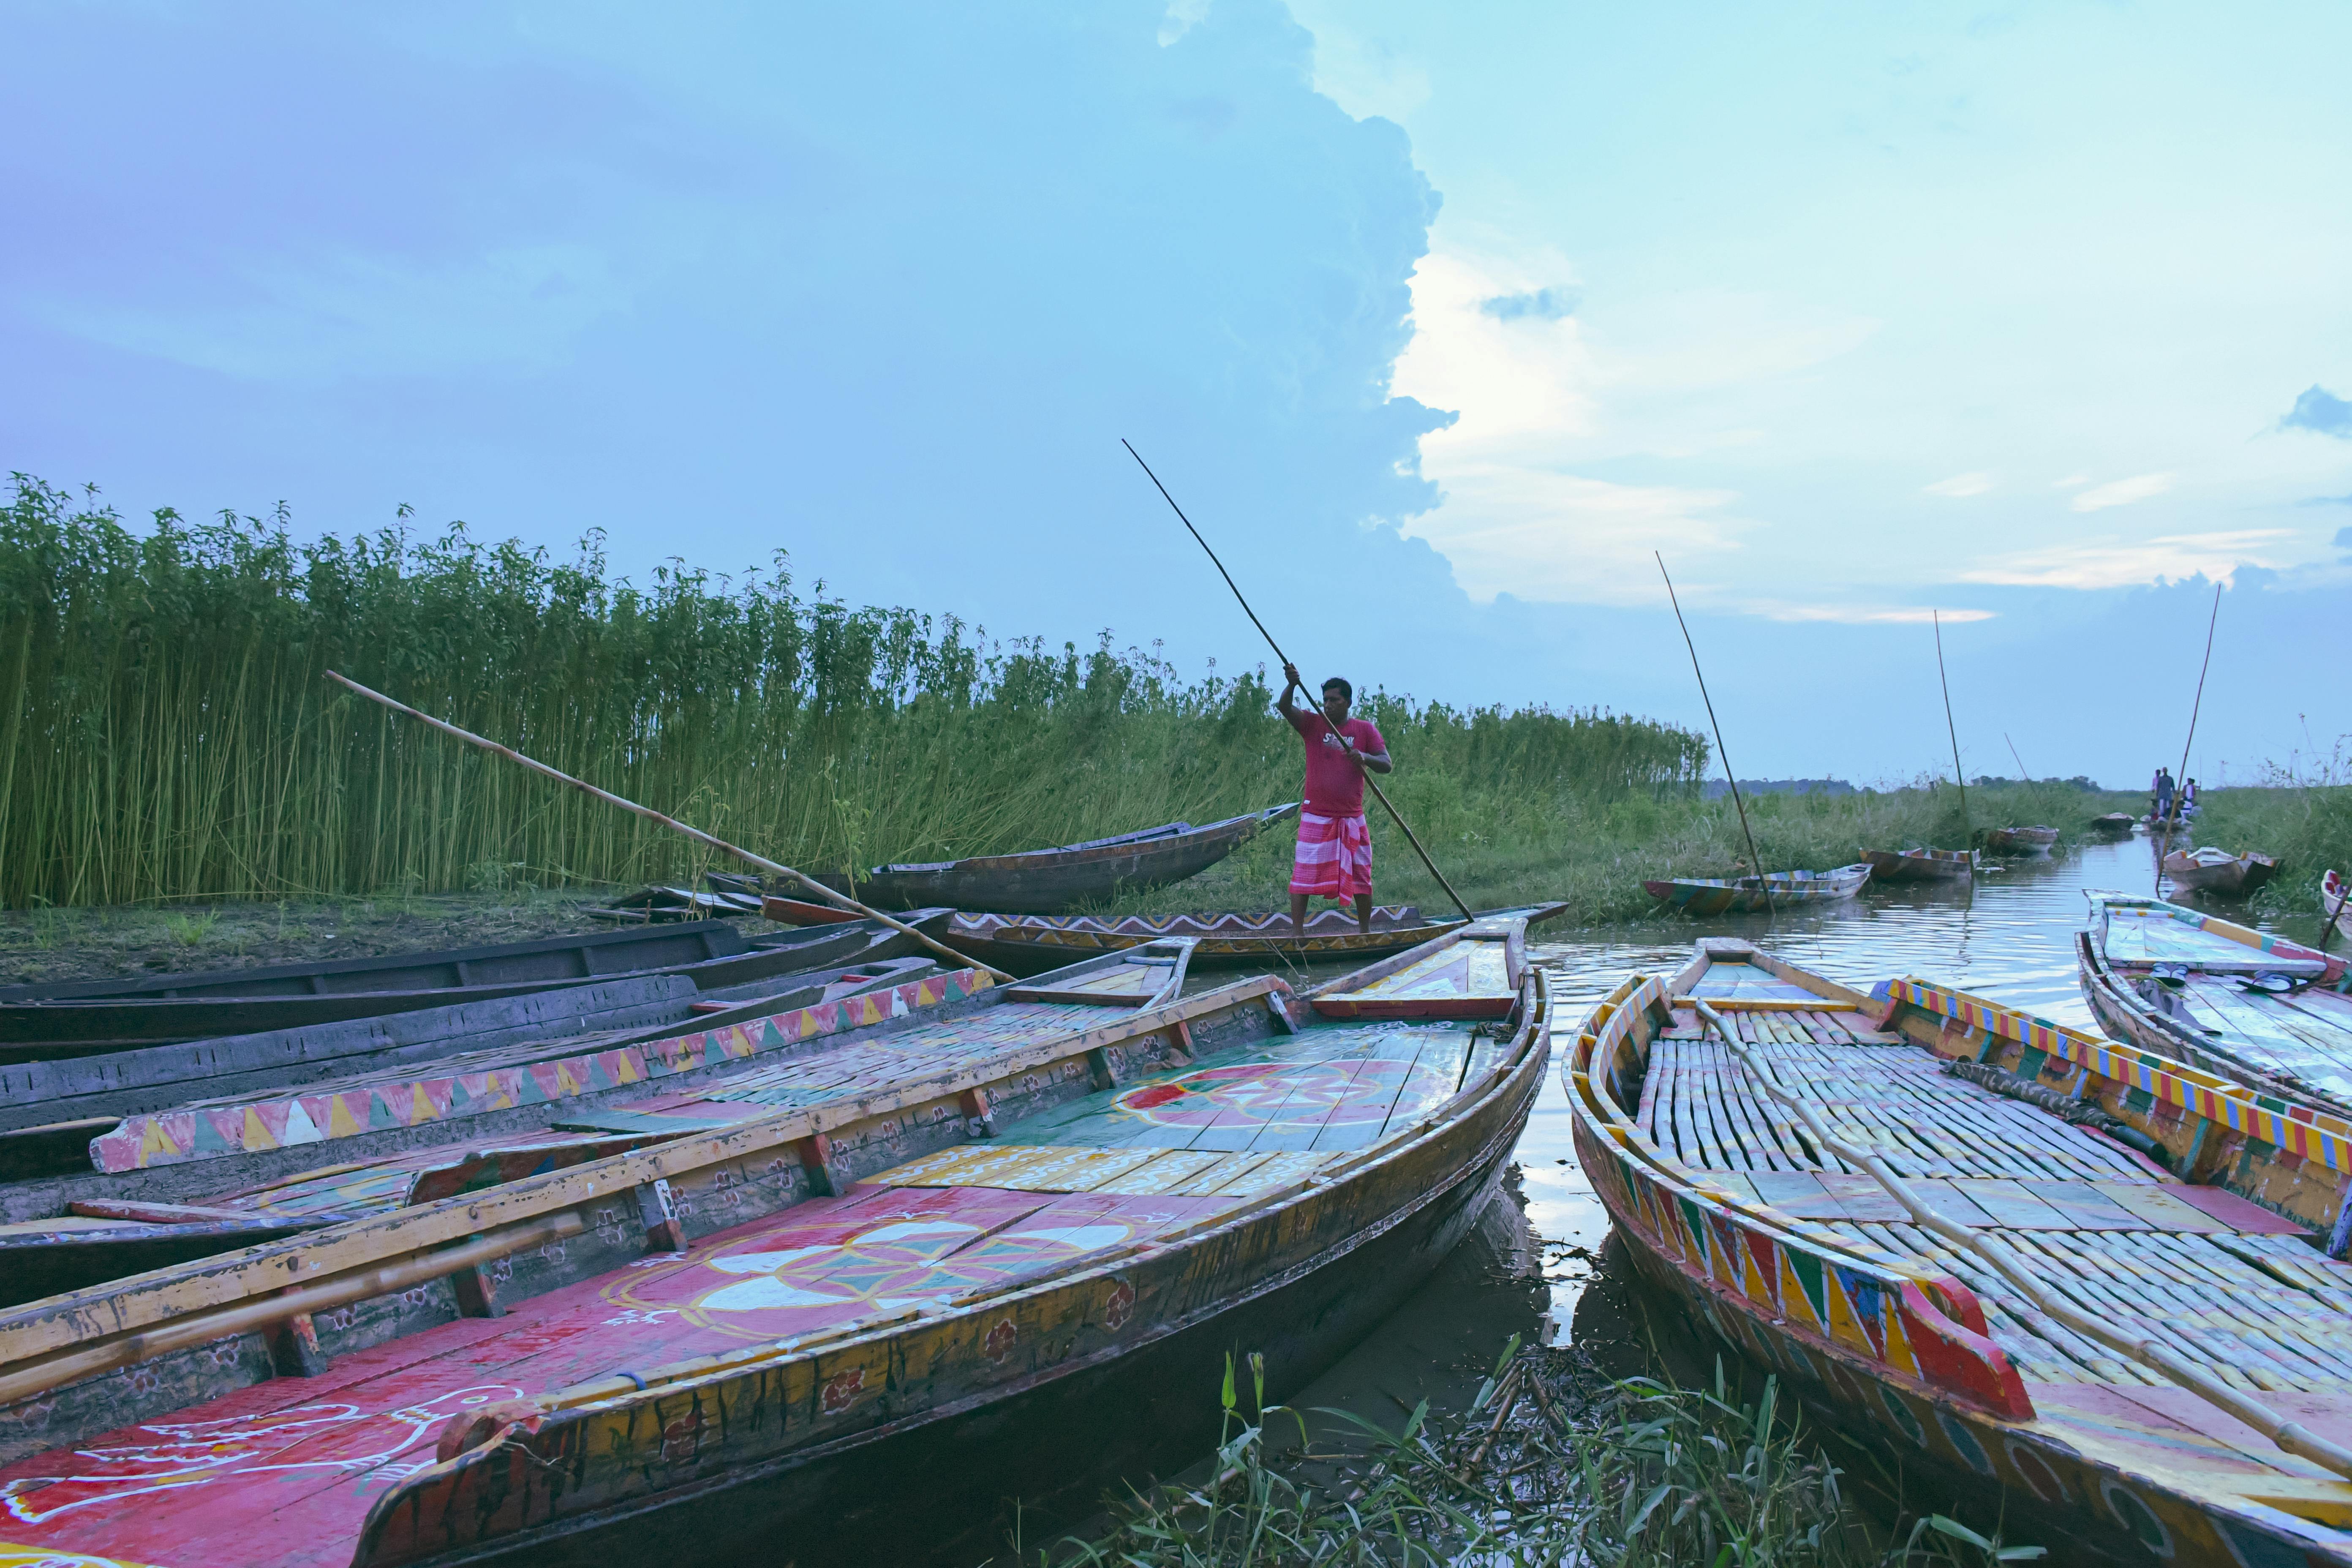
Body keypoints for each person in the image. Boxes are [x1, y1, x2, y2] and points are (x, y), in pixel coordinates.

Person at [1277, 662, 1391, 937]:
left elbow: (1386, 764)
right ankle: (1298, 934)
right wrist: (1292, 684)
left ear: (1348, 703)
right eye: (1325, 700)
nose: (1328, 705)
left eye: (1334, 700)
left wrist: (1365, 757)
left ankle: (1364, 932)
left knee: (1361, 876)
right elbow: (1284, 707)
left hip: (1352, 817)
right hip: (1316, 815)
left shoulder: (1364, 730)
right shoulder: (1312, 724)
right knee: (1304, 874)